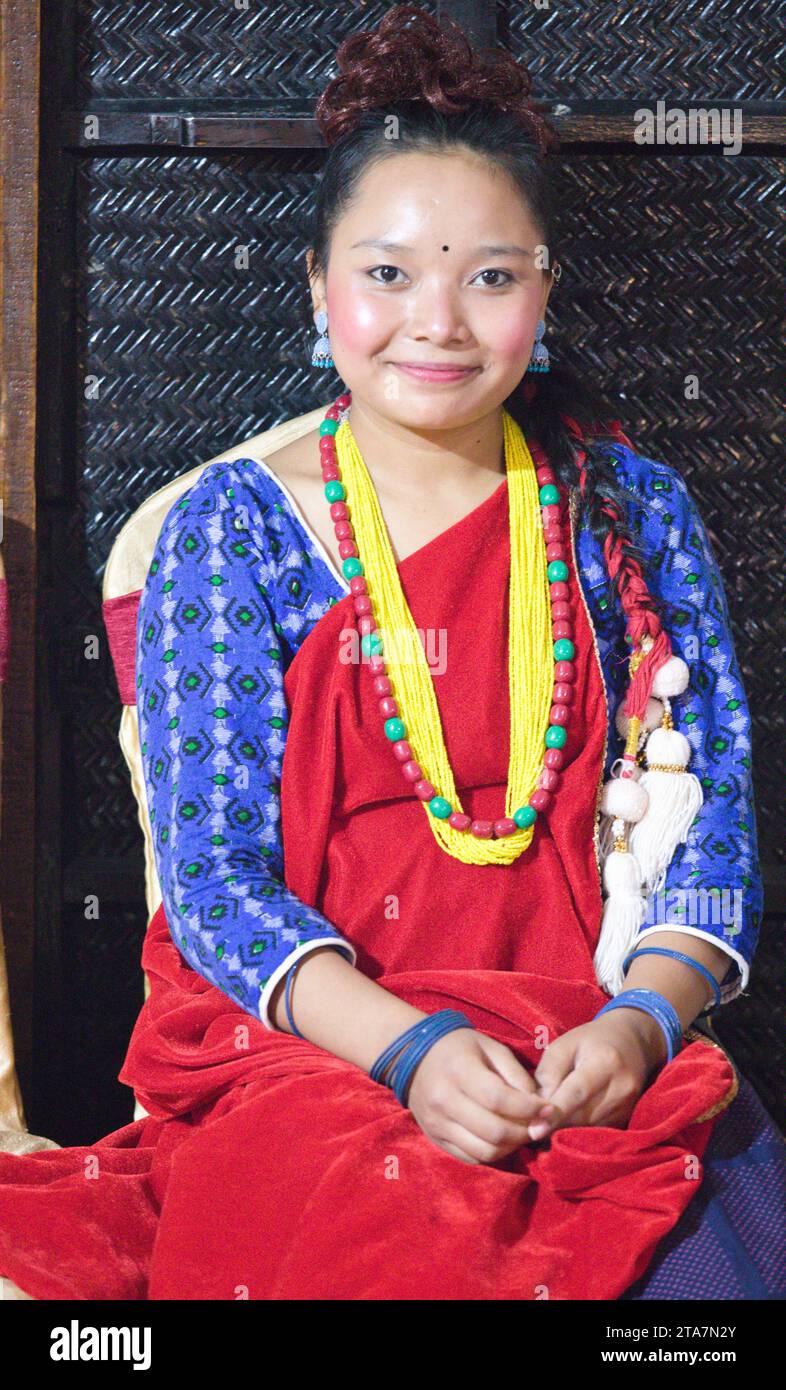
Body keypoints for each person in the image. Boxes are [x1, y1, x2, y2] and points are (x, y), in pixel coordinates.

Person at [0, 5, 783, 1302]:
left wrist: (641, 1023)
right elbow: (215, 882)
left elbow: (712, 843)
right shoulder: (235, 529)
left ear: (543, 290)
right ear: (317, 289)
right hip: (311, 1043)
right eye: (386, 273)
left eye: (490, 274)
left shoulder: (629, 514)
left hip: (586, 1051)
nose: (439, 321)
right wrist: (410, 1050)